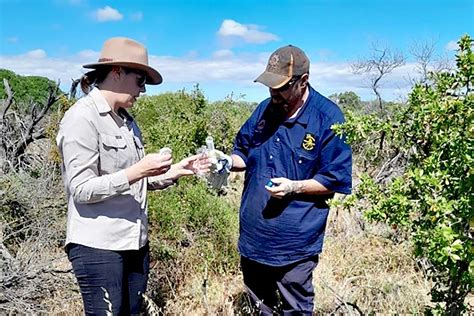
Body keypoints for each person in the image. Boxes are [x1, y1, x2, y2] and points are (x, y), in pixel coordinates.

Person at [56, 37, 209, 315]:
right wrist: (138, 170)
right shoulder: (82, 118)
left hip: (134, 243)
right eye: (140, 81)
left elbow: (134, 183)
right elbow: (80, 188)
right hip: (98, 247)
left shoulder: (127, 120)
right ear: (117, 72)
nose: (143, 91)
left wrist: (177, 171)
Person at [210, 45, 352, 314]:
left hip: (294, 244)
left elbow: (334, 180)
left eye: (282, 87)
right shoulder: (265, 109)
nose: (274, 93)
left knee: (294, 309)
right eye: (271, 86)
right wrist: (226, 162)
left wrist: (294, 187)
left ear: (304, 81)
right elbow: (244, 151)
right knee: (259, 306)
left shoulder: (328, 118)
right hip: (254, 237)